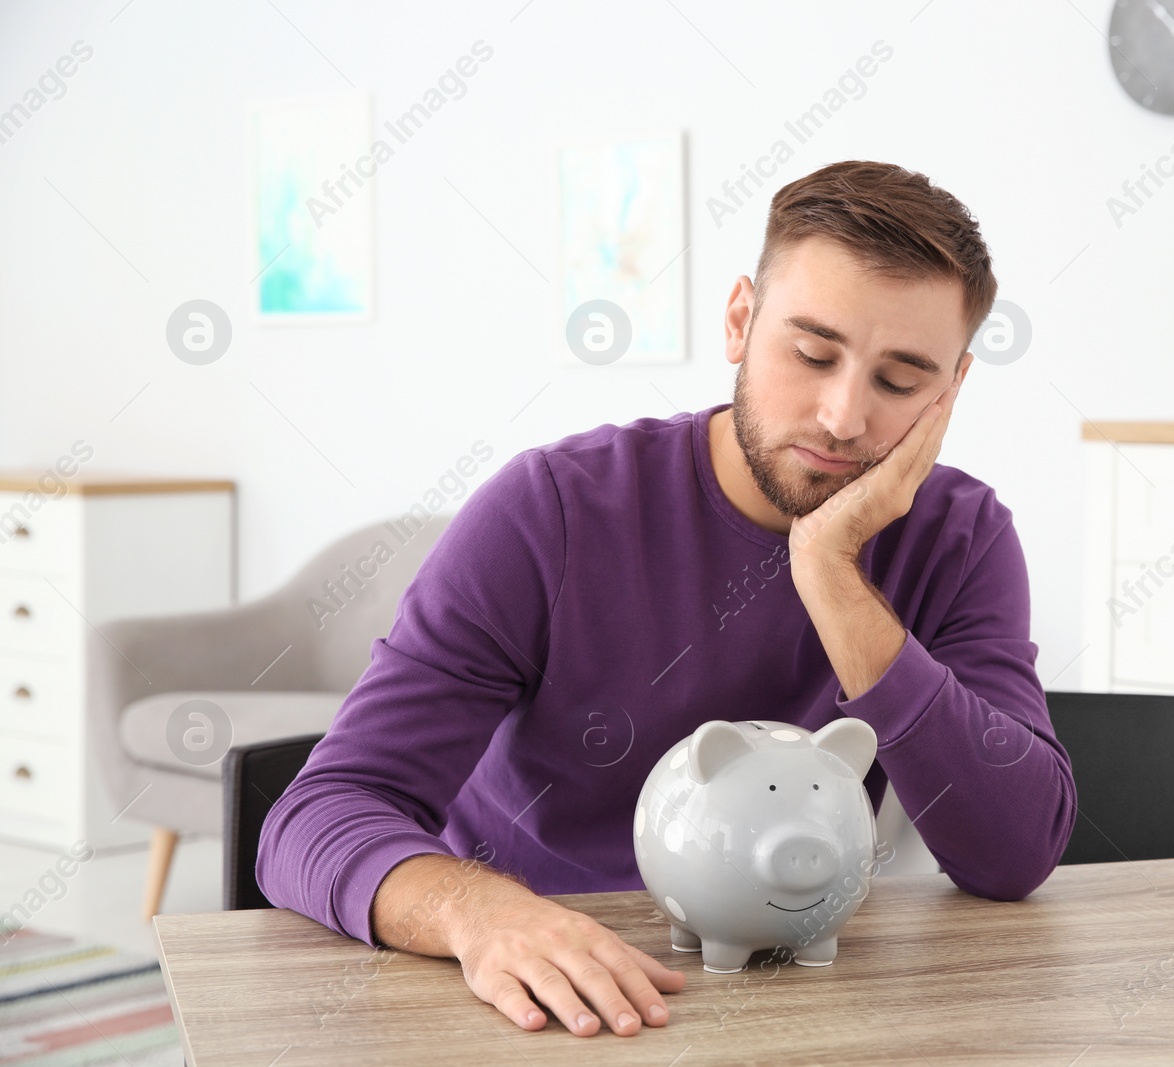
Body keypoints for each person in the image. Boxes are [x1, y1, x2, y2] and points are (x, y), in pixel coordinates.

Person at [257, 159, 1077, 1039]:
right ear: (739, 321)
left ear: (951, 391)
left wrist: (831, 573)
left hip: (809, 1004)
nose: (843, 416)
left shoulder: (962, 536)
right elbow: (318, 814)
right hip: (548, 995)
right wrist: (479, 911)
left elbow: (1013, 850)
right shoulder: (551, 511)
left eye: (901, 380)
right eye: (812, 353)